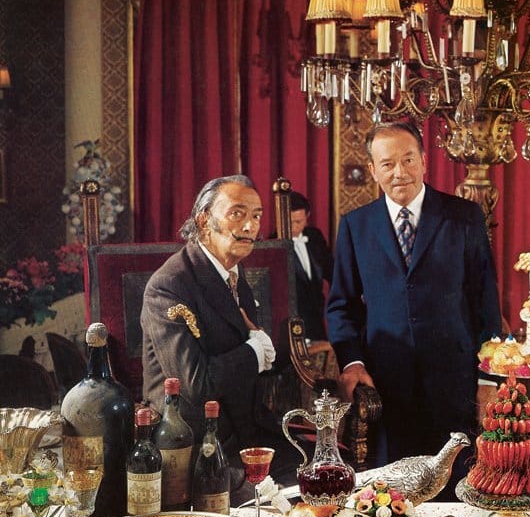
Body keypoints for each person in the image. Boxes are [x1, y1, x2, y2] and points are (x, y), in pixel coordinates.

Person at [326, 121, 502, 491]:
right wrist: (353, 363)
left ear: (424, 161)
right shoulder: (356, 225)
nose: (400, 172)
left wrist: (489, 378)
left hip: (455, 384)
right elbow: (341, 306)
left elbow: (486, 302)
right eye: (387, 164)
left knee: (460, 491)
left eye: (408, 160)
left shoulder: (464, 217)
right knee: (391, 498)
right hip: (387, 389)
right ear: (373, 170)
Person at [140, 175, 297, 493]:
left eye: (256, 216)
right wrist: (255, 351)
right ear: (203, 220)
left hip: (246, 432)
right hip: (197, 447)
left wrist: (265, 351)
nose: (251, 226)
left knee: (326, 481)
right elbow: (196, 385)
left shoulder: (234, 276)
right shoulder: (169, 285)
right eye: (237, 213)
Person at [278, 191, 334, 342]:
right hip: (291, 319)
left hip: (317, 313)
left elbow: (331, 270)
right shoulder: (274, 243)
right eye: (290, 222)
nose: (294, 227)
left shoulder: (315, 236)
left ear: (307, 216)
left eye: (299, 222)